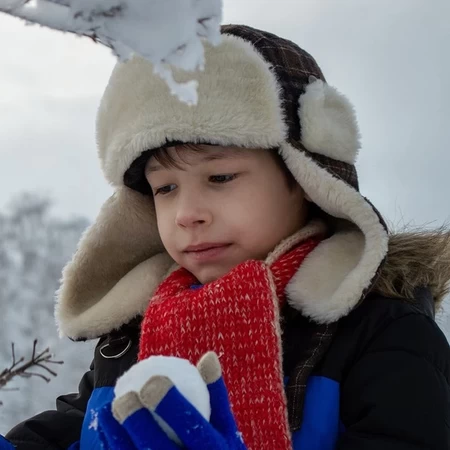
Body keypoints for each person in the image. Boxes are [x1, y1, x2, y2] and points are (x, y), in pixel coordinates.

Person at [3, 24, 450, 450]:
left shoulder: (384, 336)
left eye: (219, 177)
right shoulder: (135, 334)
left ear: (304, 179)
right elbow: (68, 433)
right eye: (165, 188)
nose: (187, 215)